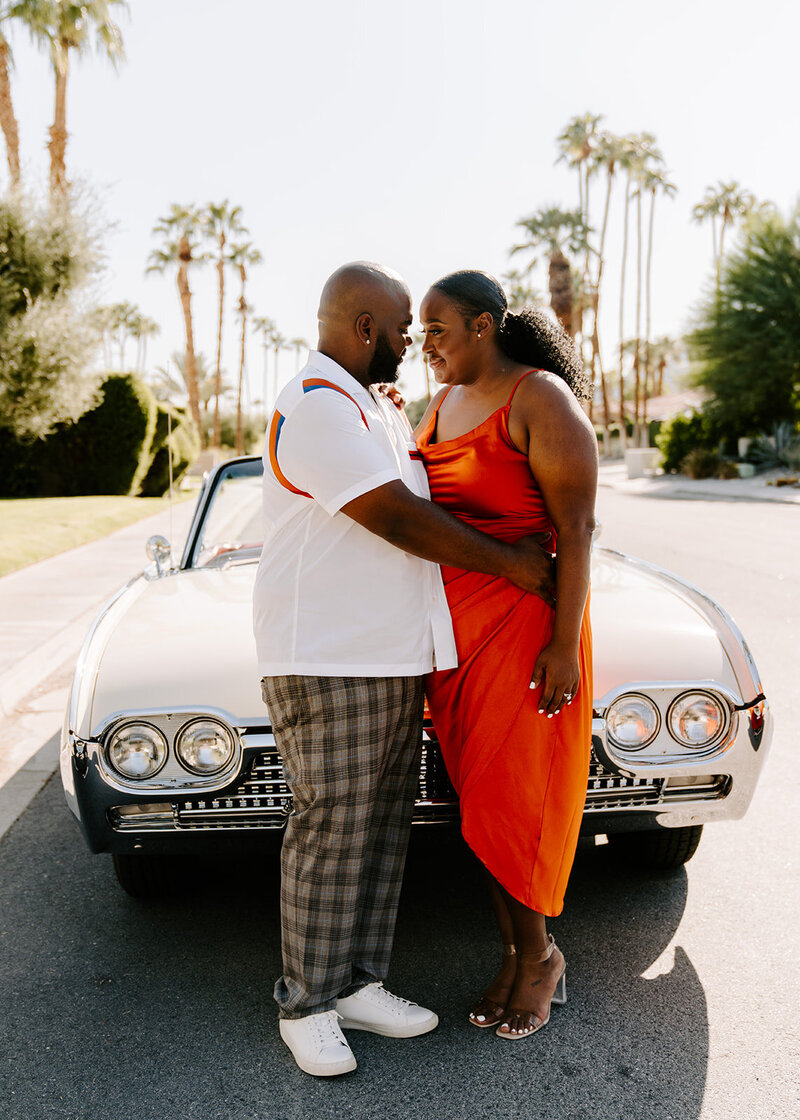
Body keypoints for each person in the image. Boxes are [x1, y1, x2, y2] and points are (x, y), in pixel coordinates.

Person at [253, 261, 554, 1077]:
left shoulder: (368, 407)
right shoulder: (315, 408)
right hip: (328, 655)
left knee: (380, 825)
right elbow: (394, 515)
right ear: (362, 329)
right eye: (398, 331)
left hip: (389, 654)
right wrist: (511, 565)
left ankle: (357, 983)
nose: (409, 346)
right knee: (330, 827)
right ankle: (307, 1003)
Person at [414, 269, 598, 1041]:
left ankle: (541, 959)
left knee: (516, 802)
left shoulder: (539, 398)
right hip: (452, 639)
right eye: (420, 334)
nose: (425, 347)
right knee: (478, 807)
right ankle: (519, 955)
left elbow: (579, 530)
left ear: (484, 325)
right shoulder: (439, 404)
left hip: (527, 631)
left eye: (437, 330)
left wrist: (564, 645)